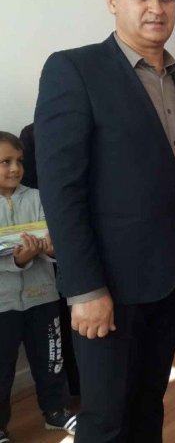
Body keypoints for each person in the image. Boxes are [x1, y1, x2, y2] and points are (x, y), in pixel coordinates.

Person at [34, 0, 175, 441]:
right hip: (109, 288)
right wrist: (85, 290)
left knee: (149, 403)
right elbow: (62, 190)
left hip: (170, 278)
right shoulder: (75, 71)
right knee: (105, 419)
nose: (156, 8)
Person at [0, 131, 76, 443]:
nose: (15, 168)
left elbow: (58, 242)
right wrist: (17, 261)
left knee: (51, 359)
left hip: (43, 298)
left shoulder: (38, 197)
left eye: (19, 161)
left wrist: (52, 249)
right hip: (2, 306)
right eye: (5, 162)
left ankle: (56, 411)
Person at [18, 122, 80, 398]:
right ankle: (74, 388)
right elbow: (33, 190)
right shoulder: (34, 133)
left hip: (91, 232)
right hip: (52, 239)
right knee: (65, 319)